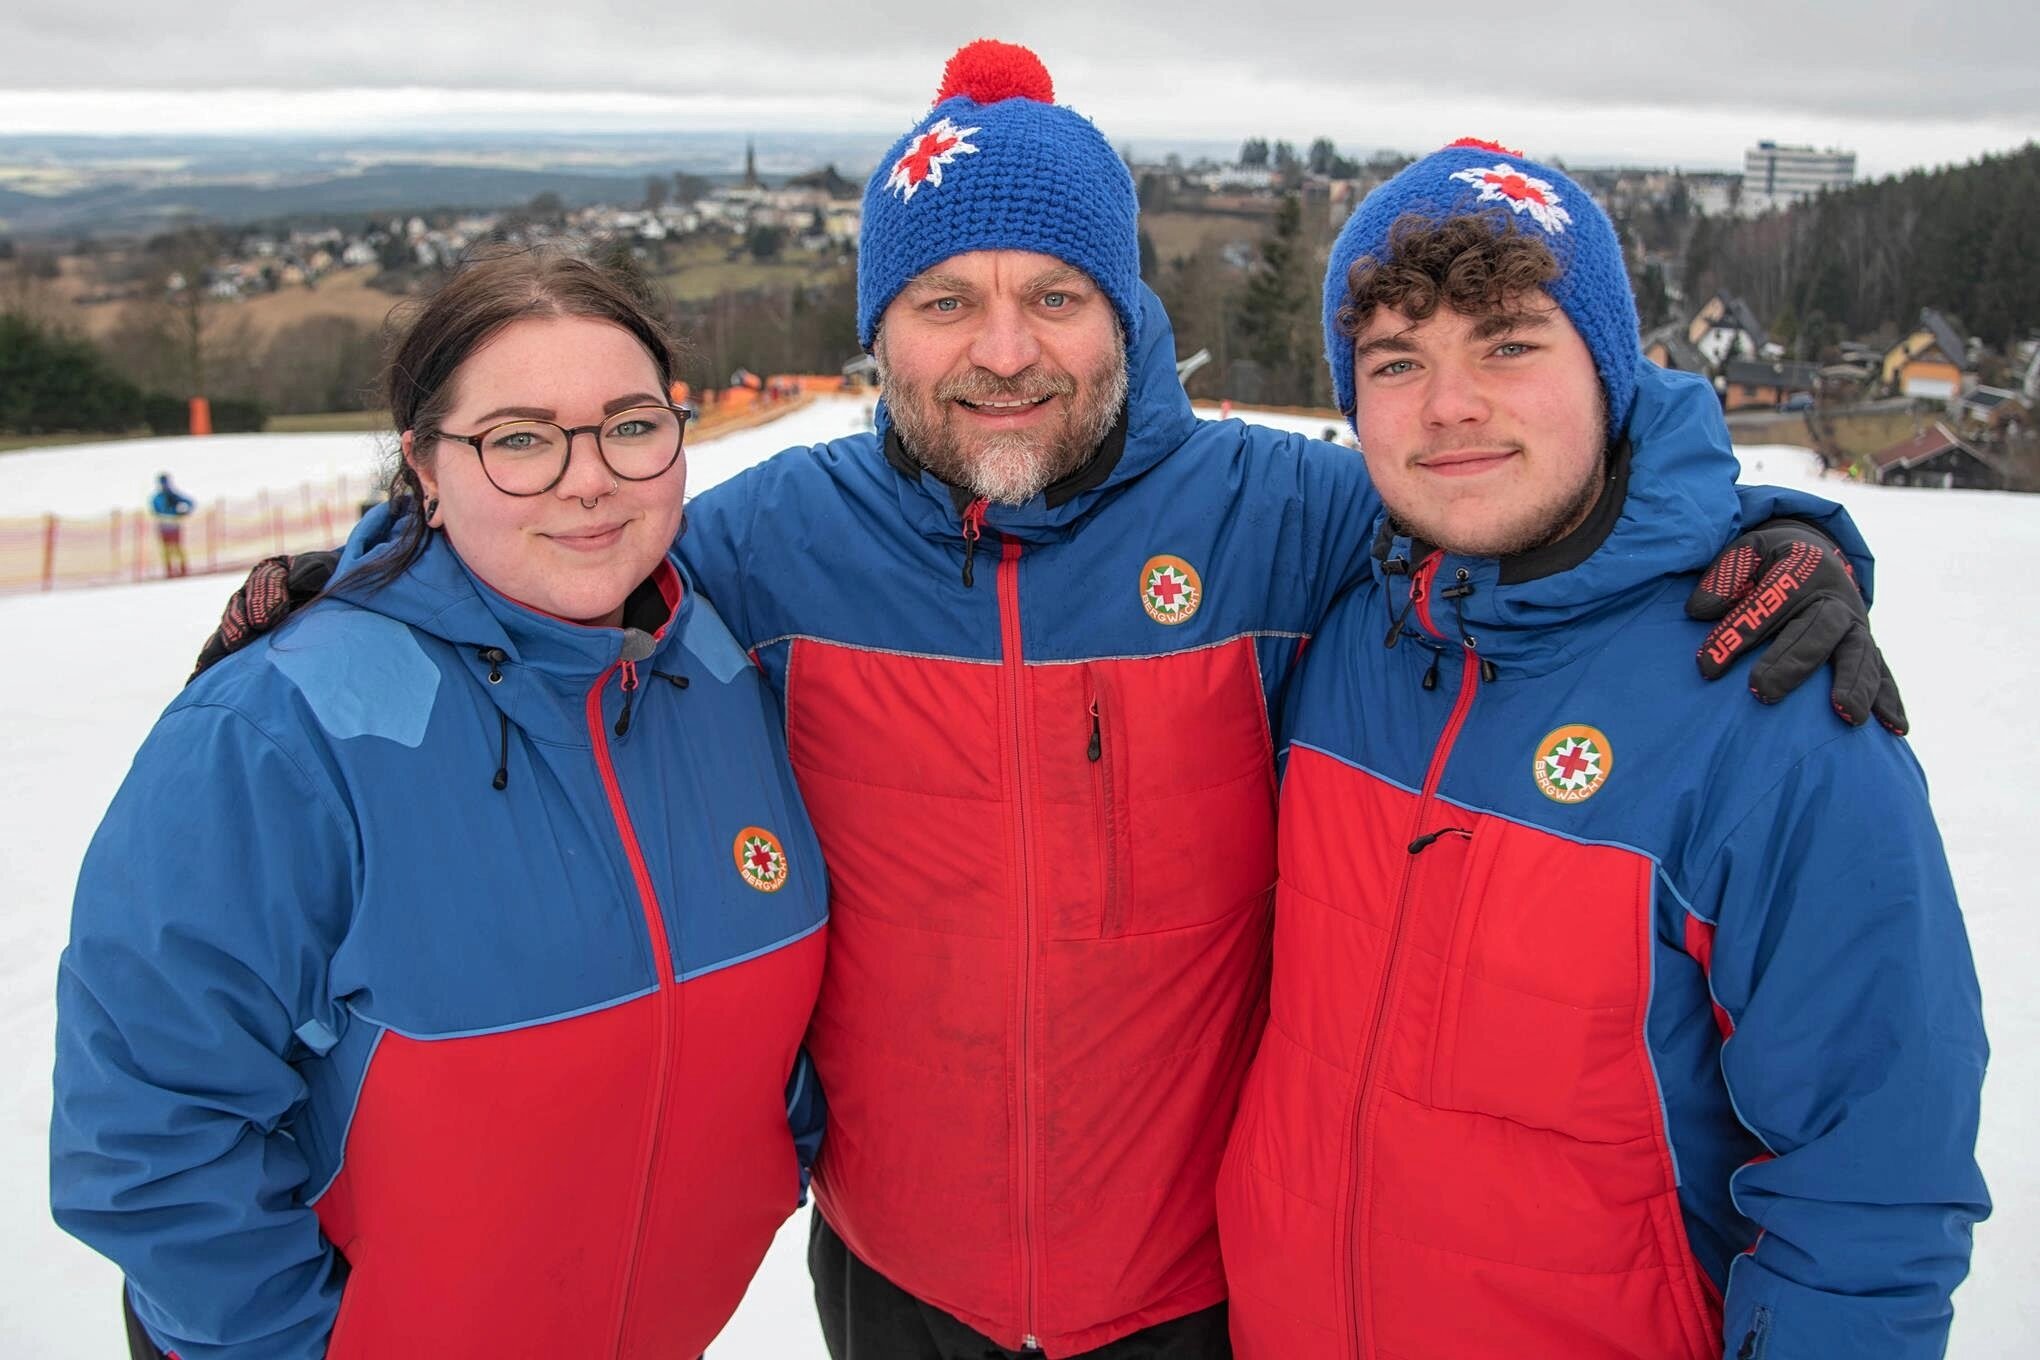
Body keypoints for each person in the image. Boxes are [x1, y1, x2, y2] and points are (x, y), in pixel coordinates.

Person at [187, 44, 1899, 1360]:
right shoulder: (769, 556)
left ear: (1125, 317)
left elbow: (1527, 497)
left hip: (1197, 1289)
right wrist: (376, 569)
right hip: (893, 1279)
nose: (1002, 347)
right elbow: (551, 541)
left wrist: (1768, 529)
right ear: (884, 333)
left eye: (1053, 297)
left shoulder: (1276, 525)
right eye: (946, 302)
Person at [1215, 141, 1987, 1359]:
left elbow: (1871, 1195)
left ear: (1612, 368)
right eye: (1397, 360)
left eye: (1508, 342)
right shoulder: (1336, 625)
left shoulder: (1773, 711)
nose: (1450, 403)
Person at [52, 247, 829, 1360]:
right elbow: (147, 1131)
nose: (589, 476)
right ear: (423, 463)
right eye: (518, 439)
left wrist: (766, 1163)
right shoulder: (280, 727)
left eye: (632, 423)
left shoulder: (717, 671)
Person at [150, 472, 194, 577]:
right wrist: (175, 511)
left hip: (174, 526)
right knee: (167, 549)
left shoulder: (173, 495)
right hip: (164, 526)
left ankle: (183, 569)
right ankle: (169, 570)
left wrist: (185, 510)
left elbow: (190, 502)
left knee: (178, 548)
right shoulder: (158, 497)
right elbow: (160, 509)